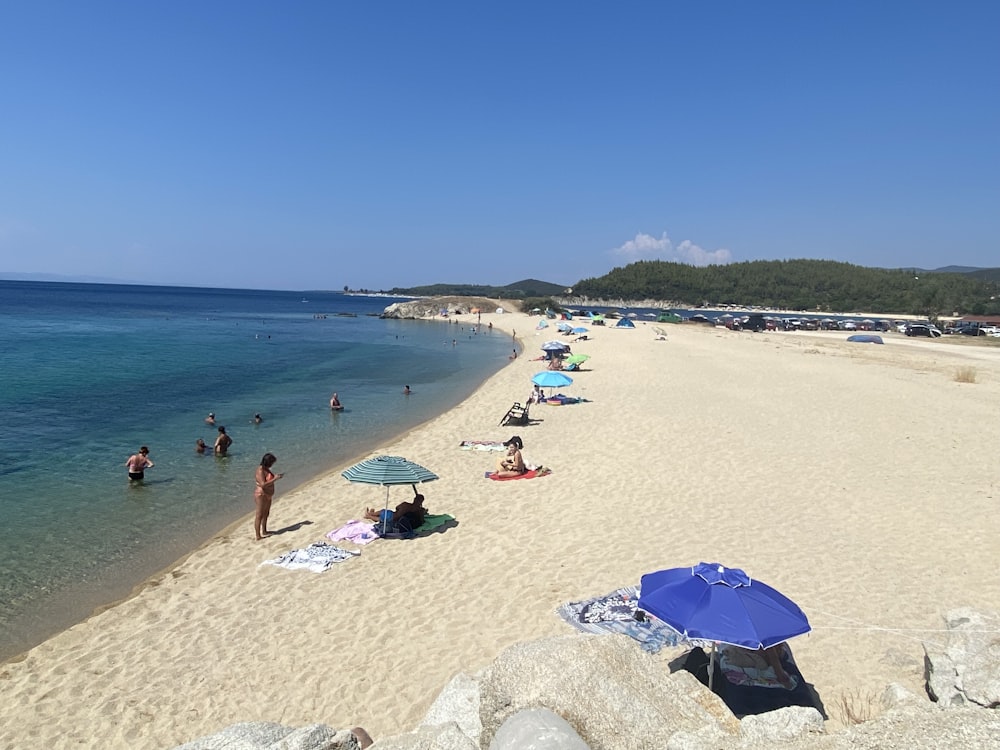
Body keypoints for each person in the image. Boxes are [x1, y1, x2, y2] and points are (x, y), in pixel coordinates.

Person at [253, 452, 284, 540]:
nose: (272, 465)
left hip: (268, 494)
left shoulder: (267, 469)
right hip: (261, 494)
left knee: (266, 513)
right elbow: (263, 484)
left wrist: (277, 477)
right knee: (259, 514)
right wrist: (275, 479)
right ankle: (258, 535)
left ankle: (264, 530)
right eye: (272, 462)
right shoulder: (260, 470)